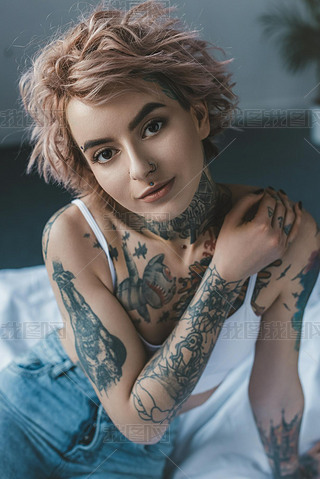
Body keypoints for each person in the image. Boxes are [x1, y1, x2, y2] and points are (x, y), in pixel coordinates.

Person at [1, 1, 320, 477]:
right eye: (105, 153)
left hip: (138, 455)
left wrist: (292, 468)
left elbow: (274, 381)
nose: (139, 168)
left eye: (153, 126)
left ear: (198, 116)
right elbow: (137, 420)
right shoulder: (73, 235)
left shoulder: (284, 236)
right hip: (36, 409)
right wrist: (225, 274)